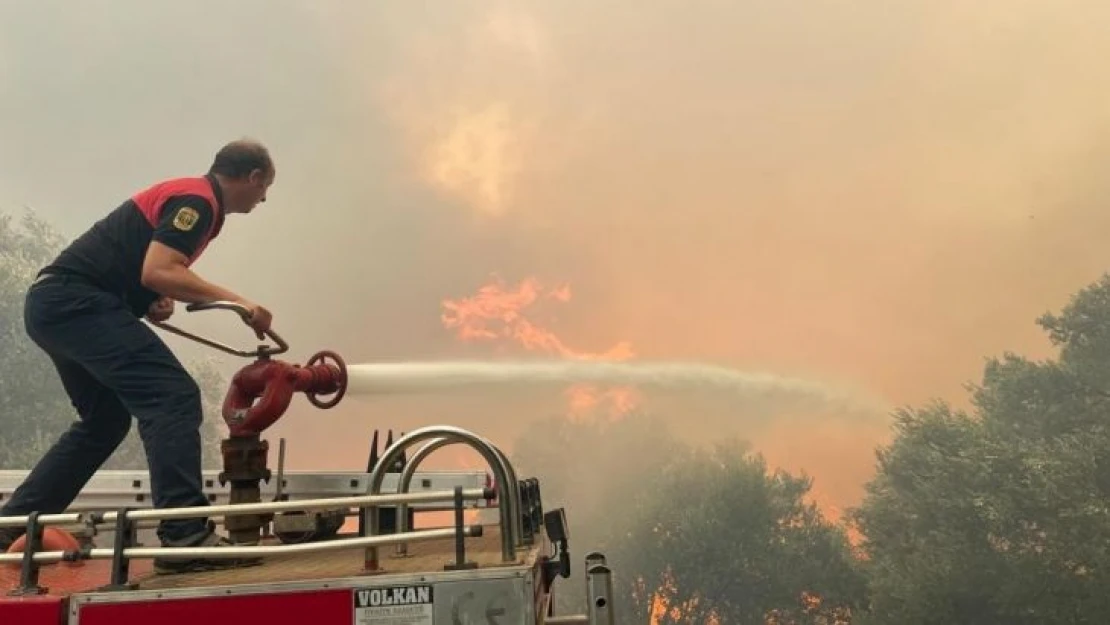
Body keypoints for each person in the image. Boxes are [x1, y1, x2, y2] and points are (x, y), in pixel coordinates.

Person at [0, 139, 277, 575]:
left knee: (105, 421)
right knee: (174, 396)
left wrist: (148, 298)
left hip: (55, 304)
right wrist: (242, 303)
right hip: (76, 302)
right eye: (265, 190)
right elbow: (160, 268)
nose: (263, 200)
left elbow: (146, 271)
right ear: (254, 177)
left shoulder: (191, 196)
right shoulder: (198, 201)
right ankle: (185, 538)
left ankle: (12, 523)